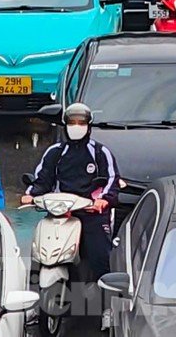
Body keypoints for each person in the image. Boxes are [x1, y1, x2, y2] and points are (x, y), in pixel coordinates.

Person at [21, 104, 120, 282]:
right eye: (71, 122)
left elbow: (112, 180)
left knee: (99, 256)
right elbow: (42, 180)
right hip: (60, 213)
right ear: (65, 125)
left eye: (81, 122)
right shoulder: (55, 152)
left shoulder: (100, 153)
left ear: (89, 126)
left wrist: (103, 200)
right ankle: (33, 296)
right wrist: (31, 195)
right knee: (38, 253)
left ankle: (106, 301)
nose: (76, 126)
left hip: (91, 214)